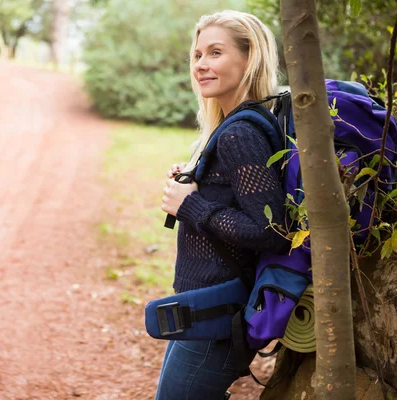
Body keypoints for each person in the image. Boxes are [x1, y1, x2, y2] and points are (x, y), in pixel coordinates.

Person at [157, 10, 289, 400]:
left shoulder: (239, 134)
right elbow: (243, 197)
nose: (201, 65)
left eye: (215, 53)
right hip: (200, 310)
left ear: (250, 59)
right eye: (197, 55)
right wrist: (199, 181)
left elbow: (270, 231)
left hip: (218, 316)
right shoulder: (235, 127)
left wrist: (191, 205)